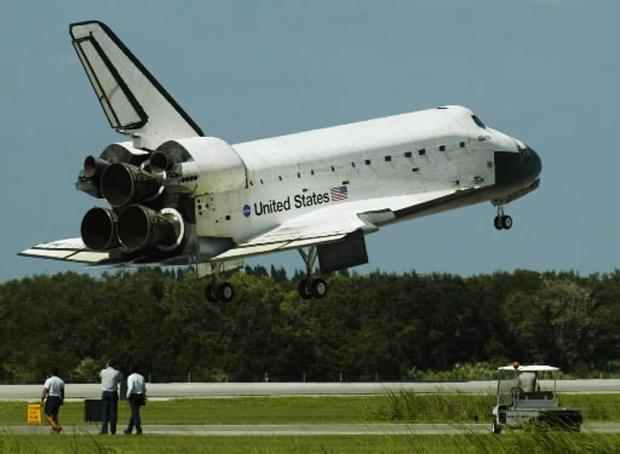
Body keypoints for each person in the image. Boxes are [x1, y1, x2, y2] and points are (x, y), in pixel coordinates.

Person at [99, 359, 123, 435]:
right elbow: (120, 379)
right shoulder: (117, 372)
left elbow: (100, 376)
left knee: (105, 412)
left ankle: (104, 429)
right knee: (113, 412)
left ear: (107, 365)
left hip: (105, 392)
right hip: (113, 392)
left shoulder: (103, 372)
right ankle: (113, 430)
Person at [124, 365, 147, 435]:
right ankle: (129, 429)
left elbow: (130, 387)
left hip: (133, 396)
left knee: (135, 413)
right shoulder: (141, 377)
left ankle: (138, 429)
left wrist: (127, 396)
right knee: (134, 413)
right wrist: (144, 395)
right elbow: (144, 388)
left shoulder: (130, 377)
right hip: (140, 395)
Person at [41, 367, 65, 433]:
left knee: (47, 414)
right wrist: (62, 399)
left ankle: (55, 427)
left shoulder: (49, 380)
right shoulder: (61, 381)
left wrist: (42, 399)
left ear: (51, 372)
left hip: (51, 397)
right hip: (58, 397)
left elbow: (45, 390)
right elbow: (62, 391)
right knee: (55, 414)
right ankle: (55, 430)